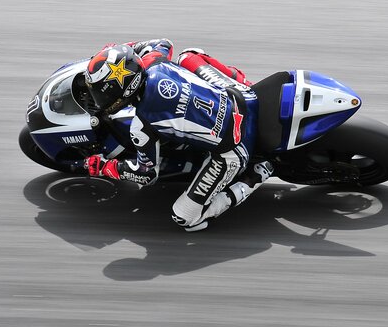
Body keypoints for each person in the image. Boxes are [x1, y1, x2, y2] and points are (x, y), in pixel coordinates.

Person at [84, 38, 273, 231]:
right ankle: (249, 83)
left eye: (103, 94)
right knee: (188, 56)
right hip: (243, 96)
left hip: (236, 146)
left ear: (124, 91)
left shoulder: (141, 125)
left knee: (185, 218)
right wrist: (123, 49)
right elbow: (164, 42)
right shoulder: (154, 61)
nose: (100, 99)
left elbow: (146, 174)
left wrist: (105, 167)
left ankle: (253, 177)